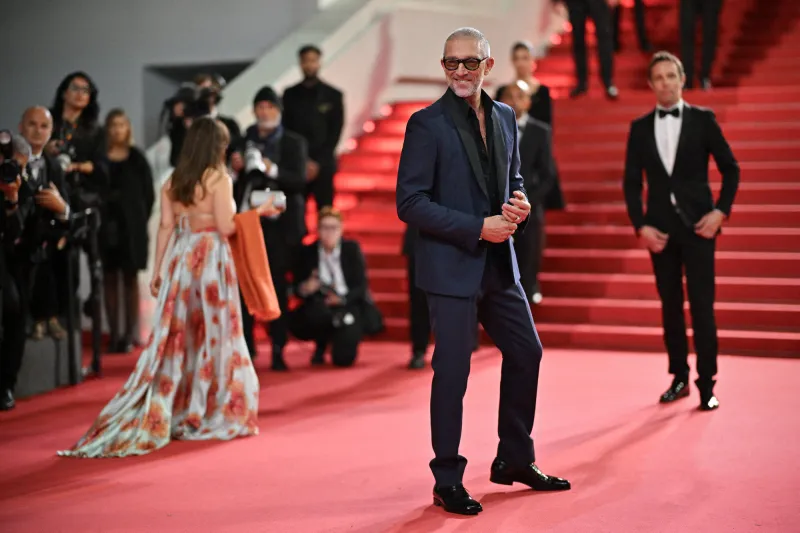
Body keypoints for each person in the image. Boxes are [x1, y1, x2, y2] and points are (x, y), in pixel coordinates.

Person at [395, 27, 570, 516]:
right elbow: (410, 202)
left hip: (499, 264)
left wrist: (520, 204)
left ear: (488, 66)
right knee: (453, 373)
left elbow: (514, 180)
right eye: (451, 62)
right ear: (443, 66)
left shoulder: (506, 116)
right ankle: (447, 479)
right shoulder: (425, 124)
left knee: (527, 351)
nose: (461, 71)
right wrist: (477, 227)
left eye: (470, 62)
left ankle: (514, 457)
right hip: (450, 267)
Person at [58, 117, 282, 458]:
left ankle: (177, 406)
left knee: (179, 336)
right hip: (212, 261)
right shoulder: (219, 178)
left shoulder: (173, 181)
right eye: (223, 142)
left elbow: (165, 227)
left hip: (183, 258)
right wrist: (257, 213)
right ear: (215, 146)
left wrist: (158, 270)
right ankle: (209, 410)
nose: (226, 148)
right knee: (216, 334)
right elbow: (225, 226)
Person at [622, 51, 739, 411]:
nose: (665, 83)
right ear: (650, 84)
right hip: (660, 232)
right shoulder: (639, 128)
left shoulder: (704, 119)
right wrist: (640, 226)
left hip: (700, 228)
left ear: (682, 79)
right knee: (670, 306)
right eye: (658, 77)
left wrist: (720, 212)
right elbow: (631, 183)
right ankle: (679, 377)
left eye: (671, 76)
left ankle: (707, 383)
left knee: (703, 306)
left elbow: (731, 168)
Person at [496, 81, 556, 304]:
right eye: (509, 96)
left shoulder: (541, 131)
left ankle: (530, 290)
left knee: (529, 251)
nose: (513, 101)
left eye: (519, 96)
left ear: (528, 102)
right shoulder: (489, 129)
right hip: (497, 207)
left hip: (529, 205)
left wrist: (527, 202)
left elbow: (548, 174)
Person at [281, 45, 344, 212]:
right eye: (306, 61)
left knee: (326, 211)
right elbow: (286, 129)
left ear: (319, 62)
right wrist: (303, 161)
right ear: (300, 64)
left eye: (313, 60)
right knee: (295, 212)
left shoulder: (333, 95)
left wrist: (317, 162)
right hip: (296, 166)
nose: (309, 65)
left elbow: (335, 131)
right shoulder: (289, 95)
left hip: (324, 165)